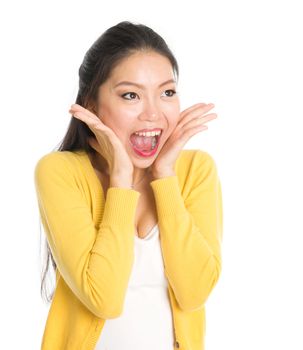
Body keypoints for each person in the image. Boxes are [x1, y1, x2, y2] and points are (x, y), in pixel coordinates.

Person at [34, 21, 223, 350]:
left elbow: (194, 293)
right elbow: (103, 298)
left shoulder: (196, 170)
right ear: (91, 104)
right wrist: (120, 180)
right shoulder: (59, 172)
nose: (153, 114)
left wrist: (165, 175)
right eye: (131, 95)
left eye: (167, 93)